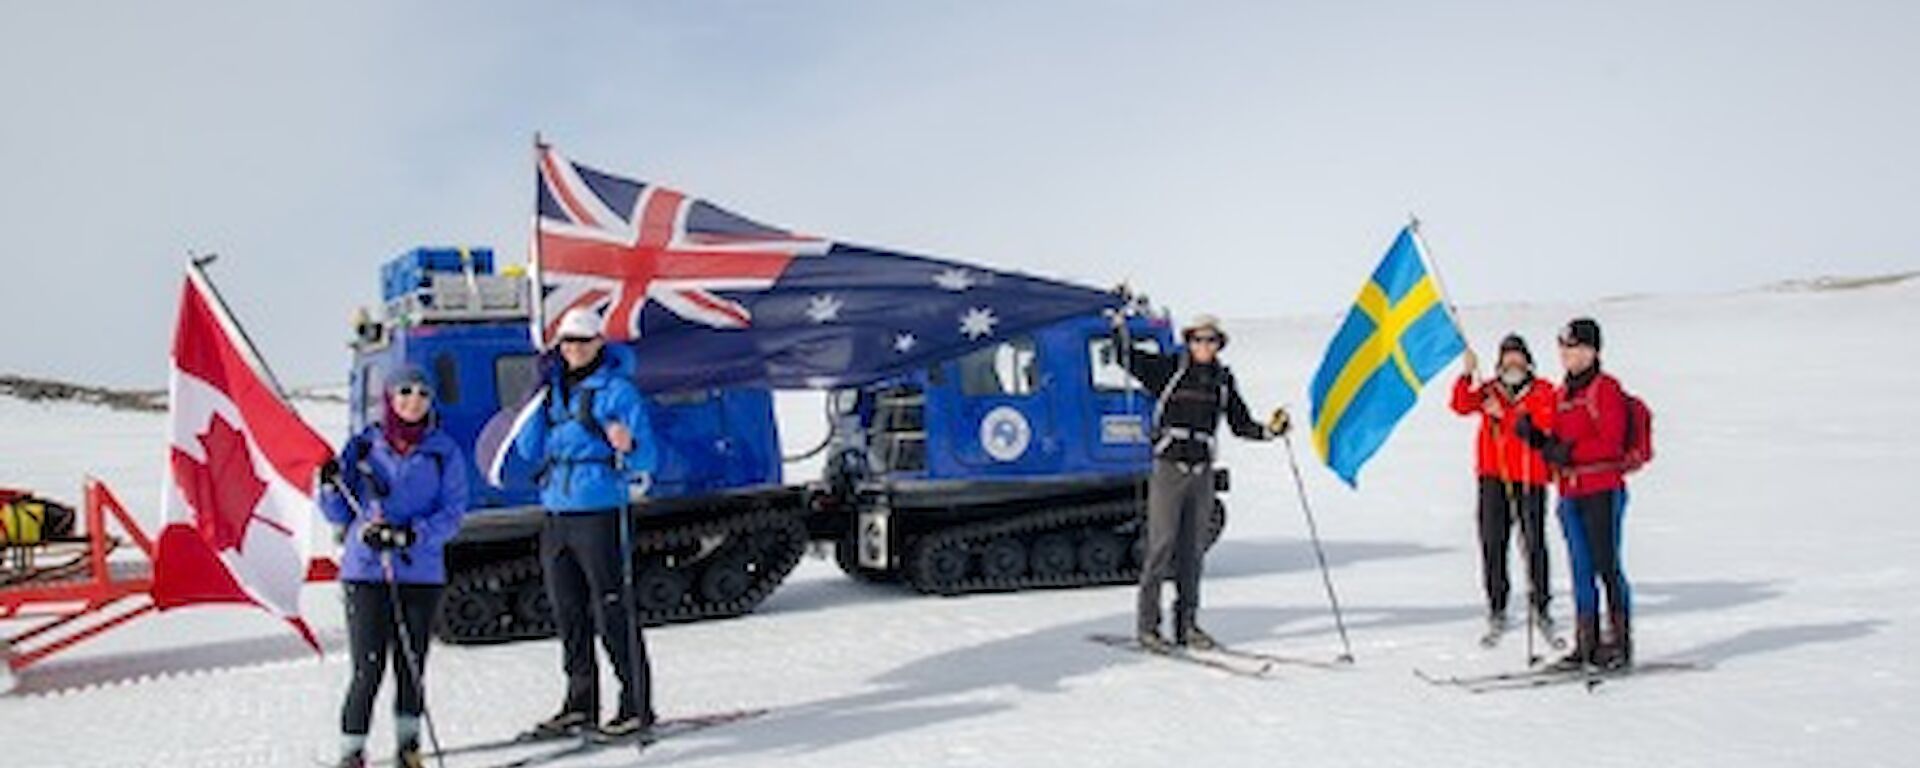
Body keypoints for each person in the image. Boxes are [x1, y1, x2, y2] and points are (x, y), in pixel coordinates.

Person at [512, 308, 660, 739]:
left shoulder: (618, 392)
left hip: (599, 509)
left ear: (599, 342)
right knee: (569, 612)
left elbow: (647, 457)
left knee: (611, 608)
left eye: (582, 340)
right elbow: (528, 449)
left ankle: (636, 704)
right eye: (567, 342)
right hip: (557, 511)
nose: (574, 349)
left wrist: (628, 445)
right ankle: (580, 703)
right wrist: (534, 401)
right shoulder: (553, 391)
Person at [318, 365, 470, 768]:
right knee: (367, 668)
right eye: (405, 391)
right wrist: (330, 485)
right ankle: (352, 752)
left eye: (423, 394)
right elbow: (337, 512)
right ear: (389, 396)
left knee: (411, 664)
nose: (413, 401)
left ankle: (408, 746)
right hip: (366, 573)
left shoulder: (443, 451)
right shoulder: (363, 447)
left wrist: (410, 534)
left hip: (419, 572)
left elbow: (454, 513)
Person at [1114, 313, 1290, 652]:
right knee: (1160, 548)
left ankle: (1187, 626)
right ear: (1189, 341)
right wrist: (1118, 325)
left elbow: (1240, 424)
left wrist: (1271, 431)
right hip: (1169, 470)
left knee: (1192, 553)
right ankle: (1148, 629)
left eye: (1210, 340)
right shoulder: (1168, 370)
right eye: (1198, 339)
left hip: (1202, 472)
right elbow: (1125, 355)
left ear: (1218, 344)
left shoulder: (1222, 380)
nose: (1204, 346)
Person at [1517, 318, 1634, 670]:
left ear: (1592, 350)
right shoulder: (1561, 394)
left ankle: (1619, 643)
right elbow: (1557, 443)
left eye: (1574, 348)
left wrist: (1568, 452)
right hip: (1570, 493)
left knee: (1606, 564)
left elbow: (1611, 442)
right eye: (1563, 348)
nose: (1567, 355)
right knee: (1580, 568)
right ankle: (1587, 643)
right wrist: (1538, 440)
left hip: (1602, 489)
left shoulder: (1606, 389)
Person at [1450, 334, 1558, 643]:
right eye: (1507, 358)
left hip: (1529, 476)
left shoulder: (1543, 391)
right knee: (1492, 542)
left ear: (1528, 361)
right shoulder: (1489, 389)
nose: (1513, 364)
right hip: (1492, 477)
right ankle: (1497, 605)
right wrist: (1466, 374)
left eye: (1518, 358)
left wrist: (1505, 415)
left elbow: (1541, 426)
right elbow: (1460, 405)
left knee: (1533, 542)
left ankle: (1541, 605)